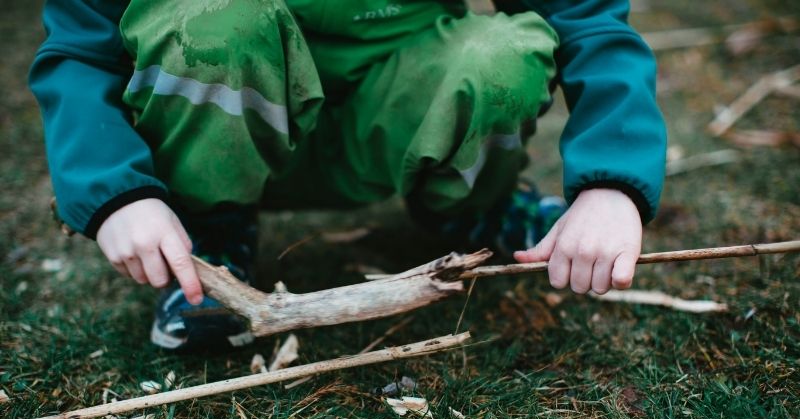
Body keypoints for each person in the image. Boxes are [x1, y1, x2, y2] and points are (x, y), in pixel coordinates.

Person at [30, 0, 666, 350]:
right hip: (224, 124)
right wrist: (117, 193)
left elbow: (589, 20)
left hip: (398, 117)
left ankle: (475, 205)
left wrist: (612, 181)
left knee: (499, 58)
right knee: (210, 22)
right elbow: (82, 49)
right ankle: (209, 235)